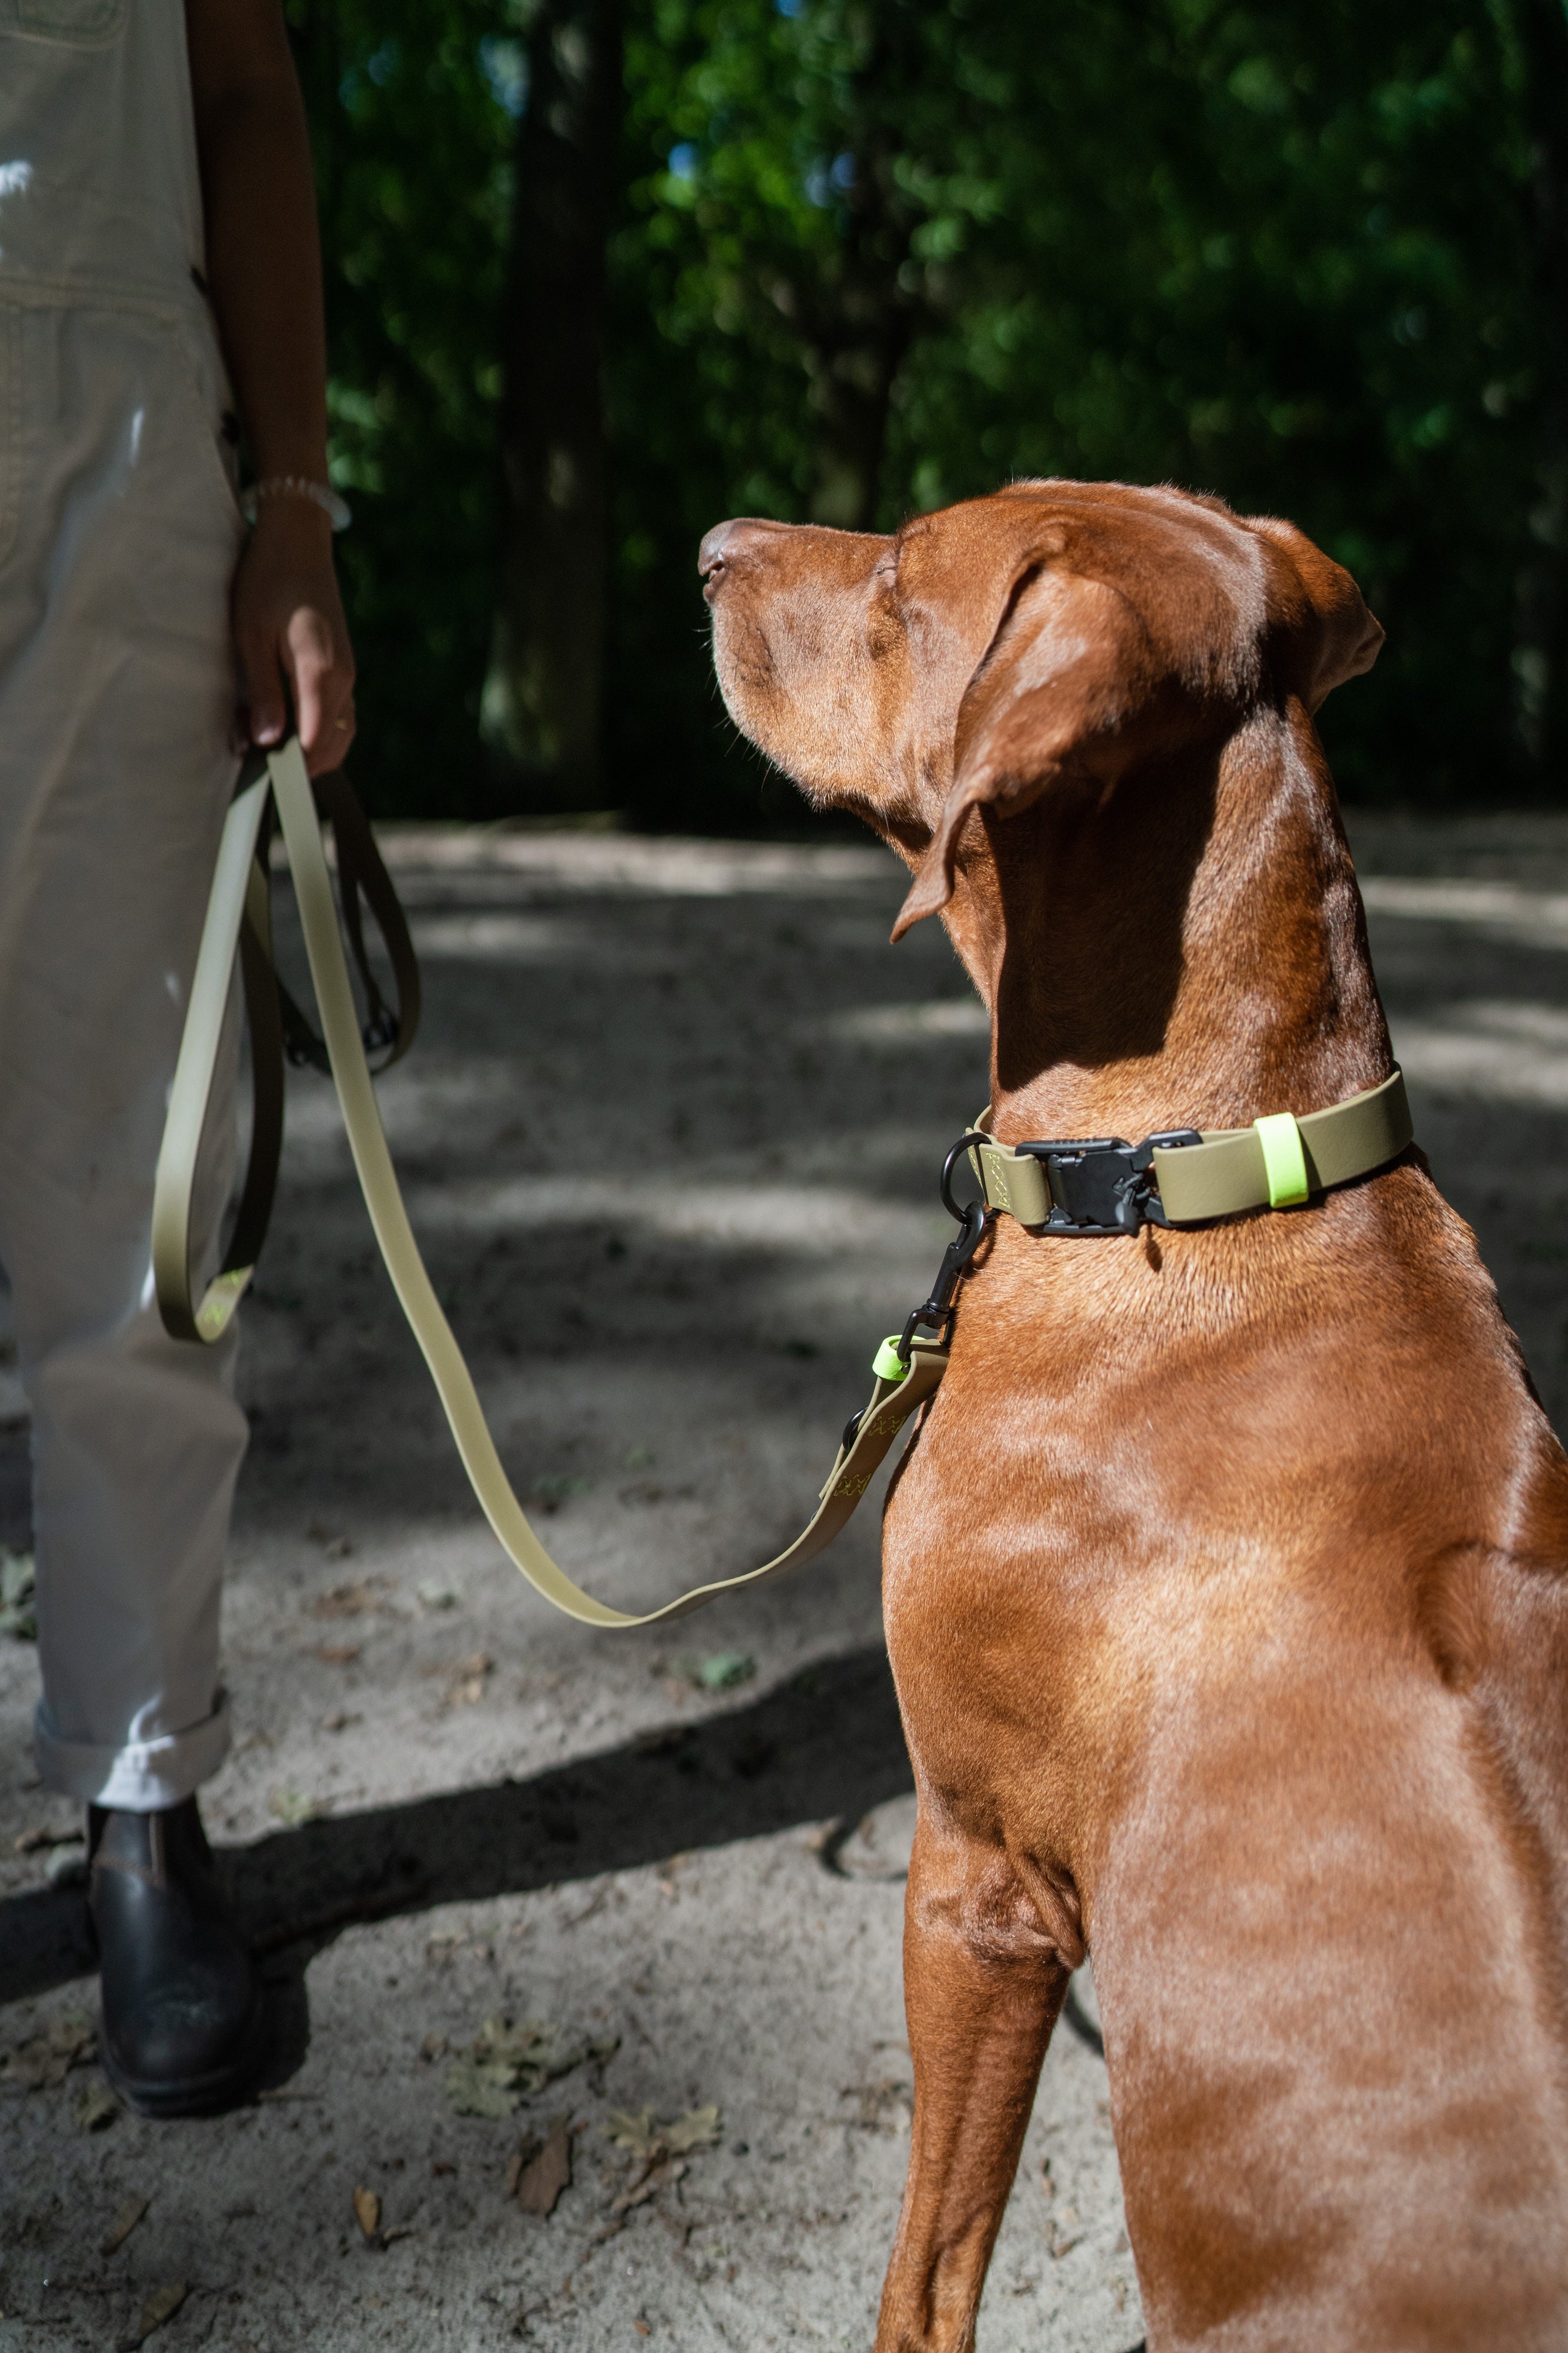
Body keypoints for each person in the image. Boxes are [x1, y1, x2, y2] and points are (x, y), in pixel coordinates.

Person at [0, 0, 354, 2114]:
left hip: (126, 405)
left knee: (142, 1139)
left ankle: (143, 1799)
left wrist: (289, 498)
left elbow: (239, 76)